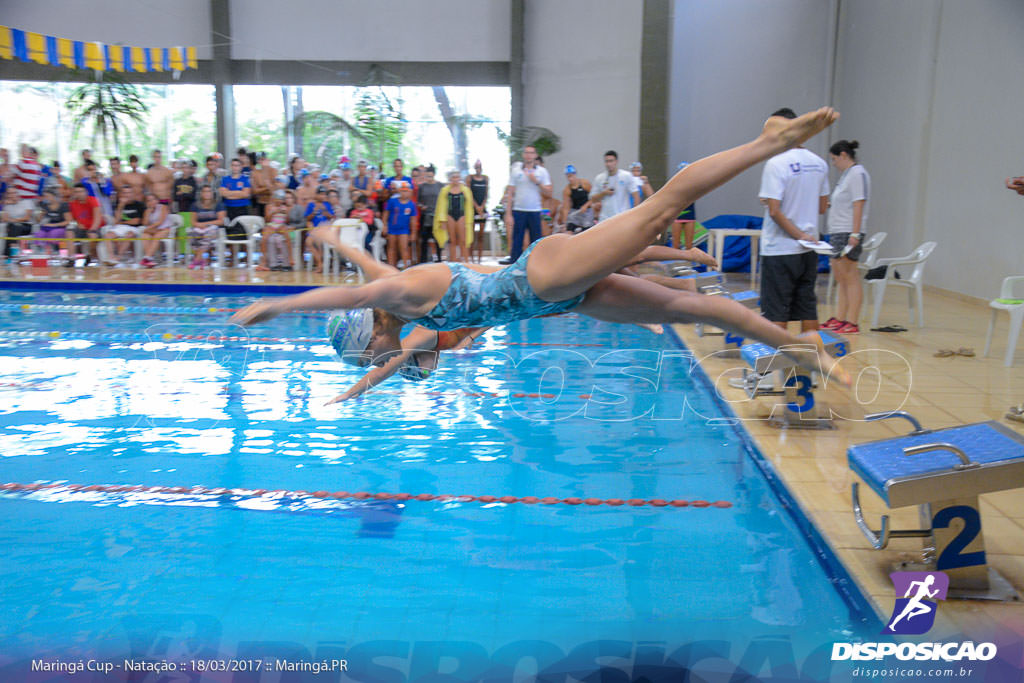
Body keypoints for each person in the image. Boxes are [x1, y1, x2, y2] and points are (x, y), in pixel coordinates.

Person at [231, 107, 850, 387]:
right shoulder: (410, 322)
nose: (376, 363)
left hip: (545, 276)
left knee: (658, 210)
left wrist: (275, 308)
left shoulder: (403, 294)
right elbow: (368, 278)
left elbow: (359, 286)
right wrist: (352, 390)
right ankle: (803, 350)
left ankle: (770, 141)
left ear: (370, 334)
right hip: (560, 301)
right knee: (697, 309)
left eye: (367, 358)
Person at [758, 107, 831, 333]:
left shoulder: (776, 163)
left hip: (780, 249)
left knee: (777, 311)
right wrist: (804, 234)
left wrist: (797, 234)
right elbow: (821, 207)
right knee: (807, 308)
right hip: (808, 249)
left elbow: (774, 211)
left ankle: (773, 364)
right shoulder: (819, 163)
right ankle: (807, 366)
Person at [822, 139, 870, 335]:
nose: (834, 164)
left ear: (843, 155)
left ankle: (852, 320)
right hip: (837, 230)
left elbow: (859, 203)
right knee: (840, 277)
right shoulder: (846, 176)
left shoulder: (858, 173)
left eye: (834, 159)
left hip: (847, 232)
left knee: (850, 276)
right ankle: (840, 318)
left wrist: (855, 233)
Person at [501, 145, 551, 264]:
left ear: (535, 155)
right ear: (523, 155)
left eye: (531, 153)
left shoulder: (541, 171)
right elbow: (510, 192)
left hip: (534, 210)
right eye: (526, 153)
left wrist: (537, 182)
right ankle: (514, 266)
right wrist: (508, 214)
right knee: (517, 241)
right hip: (519, 210)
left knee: (536, 242)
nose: (529, 155)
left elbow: (549, 192)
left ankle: (536, 266)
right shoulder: (516, 171)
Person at [220, 157, 252, 266]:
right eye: (233, 165)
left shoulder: (245, 179)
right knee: (231, 232)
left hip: (243, 209)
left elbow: (246, 194)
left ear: (241, 167)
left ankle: (247, 258)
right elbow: (224, 194)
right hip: (229, 209)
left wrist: (230, 193)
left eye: (237, 165)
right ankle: (233, 258)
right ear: (230, 166)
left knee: (245, 232)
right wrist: (238, 193)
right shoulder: (225, 179)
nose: (235, 167)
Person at [591, 150, 639, 222]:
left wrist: (635, 215)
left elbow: (636, 195)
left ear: (616, 161)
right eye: (606, 161)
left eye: (611, 161)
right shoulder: (600, 178)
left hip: (622, 217)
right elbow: (593, 199)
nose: (609, 164)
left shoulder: (626, 176)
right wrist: (604, 193)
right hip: (605, 218)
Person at [188, 185, 226, 269]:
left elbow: (221, 221)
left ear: (213, 193)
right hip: (200, 228)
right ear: (201, 193)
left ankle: (196, 260)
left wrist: (206, 224)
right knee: (190, 233)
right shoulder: (195, 205)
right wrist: (199, 225)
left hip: (214, 229)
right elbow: (193, 221)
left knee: (208, 234)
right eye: (205, 191)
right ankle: (201, 260)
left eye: (209, 191)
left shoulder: (218, 205)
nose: (207, 193)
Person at [107, 185, 146, 265]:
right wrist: (121, 206)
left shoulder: (139, 204)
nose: (127, 195)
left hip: (134, 228)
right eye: (125, 193)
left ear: (133, 194)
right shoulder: (119, 204)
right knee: (108, 235)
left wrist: (122, 222)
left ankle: (119, 256)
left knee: (129, 235)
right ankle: (111, 257)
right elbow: (116, 221)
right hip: (121, 227)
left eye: (129, 193)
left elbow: (136, 221)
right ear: (121, 194)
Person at [67, 182, 103, 266]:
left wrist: (92, 229)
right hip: (81, 227)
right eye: (76, 192)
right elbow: (71, 218)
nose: (79, 194)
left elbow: (97, 217)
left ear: (86, 192)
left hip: (95, 227)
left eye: (81, 191)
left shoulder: (92, 200)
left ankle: (89, 256)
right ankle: (71, 259)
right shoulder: (72, 203)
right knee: (69, 231)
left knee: (92, 236)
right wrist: (76, 223)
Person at [383, 181, 416, 268]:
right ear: (399, 191)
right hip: (392, 229)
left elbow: (413, 220)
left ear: (409, 192)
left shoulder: (411, 204)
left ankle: (406, 268)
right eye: (402, 191)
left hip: (404, 230)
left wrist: (413, 233)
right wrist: (385, 226)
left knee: (404, 249)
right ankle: (391, 268)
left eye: (406, 191)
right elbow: (386, 213)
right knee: (391, 248)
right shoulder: (392, 201)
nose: (404, 193)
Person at [258, 189, 293, 272]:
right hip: (271, 225)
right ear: (274, 199)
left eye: (281, 200)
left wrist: (285, 213)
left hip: (281, 225)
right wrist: (274, 212)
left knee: (287, 237)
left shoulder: (285, 207)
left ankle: (290, 258)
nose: (279, 201)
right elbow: (267, 220)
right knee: (264, 239)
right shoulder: (269, 206)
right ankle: (263, 260)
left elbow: (287, 221)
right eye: (278, 199)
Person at [415, 165, 442, 264]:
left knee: (438, 241)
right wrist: (421, 206)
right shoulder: (422, 186)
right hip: (425, 216)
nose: (429, 179)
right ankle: (423, 262)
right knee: (424, 241)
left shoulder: (440, 186)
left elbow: (444, 201)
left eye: (431, 176)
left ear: (434, 175)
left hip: (437, 217)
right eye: (427, 176)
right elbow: (418, 201)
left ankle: (439, 261)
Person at [304, 185, 335, 273]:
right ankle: (320, 263)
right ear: (316, 195)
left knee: (320, 243)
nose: (322, 196)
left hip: (325, 230)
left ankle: (321, 265)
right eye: (320, 194)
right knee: (308, 242)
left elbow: (332, 217)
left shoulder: (327, 204)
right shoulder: (311, 205)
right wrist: (313, 212)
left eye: (324, 194)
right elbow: (307, 218)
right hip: (314, 230)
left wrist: (325, 211)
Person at [139, 195, 173, 268]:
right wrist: (148, 213)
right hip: (155, 230)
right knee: (145, 235)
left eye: (153, 200)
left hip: (165, 229)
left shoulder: (163, 207)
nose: (151, 202)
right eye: (148, 200)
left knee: (156, 235)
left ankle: (147, 258)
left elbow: (160, 222)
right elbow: (145, 223)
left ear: (157, 200)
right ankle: (150, 259)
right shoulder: (147, 210)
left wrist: (148, 228)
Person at [1, 187, 34, 260]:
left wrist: (14, 220)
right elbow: (4, 219)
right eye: (10, 193)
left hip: (26, 226)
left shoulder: (26, 202)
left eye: (14, 193)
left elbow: (27, 217)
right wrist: (4, 205)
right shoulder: (7, 206)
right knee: (13, 227)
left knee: (14, 227)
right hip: (13, 226)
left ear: (18, 193)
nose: (12, 195)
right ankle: (12, 254)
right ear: (7, 195)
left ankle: (8, 254)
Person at [671, 162, 699, 249]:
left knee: (689, 245)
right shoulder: (674, 183)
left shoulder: (694, 184)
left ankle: (689, 261)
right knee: (675, 244)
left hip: (689, 215)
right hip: (677, 214)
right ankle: (674, 260)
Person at [36, 187, 70, 257]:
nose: (46, 198)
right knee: (39, 234)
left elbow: (68, 221)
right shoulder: (44, 206)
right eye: (45, 196)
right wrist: (41, 213)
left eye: (48, 196)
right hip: (47, 227)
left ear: (54, 196)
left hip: (60, 227)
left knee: (53, 233)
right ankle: (42, 254)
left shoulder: (63, 205)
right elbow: (39, 221)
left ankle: (55, 252)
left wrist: (54, 225)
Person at [560, 164, 594, 233]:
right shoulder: (567, 190)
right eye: (568, 176)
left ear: (575, 174)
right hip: (575, 212)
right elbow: (566, 208)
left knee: (586, 232)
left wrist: (586, 206)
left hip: (587, 211)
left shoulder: (585, 183)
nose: (570, 179)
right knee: (569, 231)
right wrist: (564, 224)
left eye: (571, 176)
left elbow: (594, 197)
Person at [468, 160, 489, 262]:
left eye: (479, 166)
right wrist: (476, 206)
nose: (478, 169)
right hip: (473, 209)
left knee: (481, 236)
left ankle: (480, 260)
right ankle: (472, 259)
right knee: (471, 236)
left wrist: (482, 206)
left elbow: (486, 194)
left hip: (482, 209)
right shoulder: (470, 178)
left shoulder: (486, 178)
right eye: (476, 167)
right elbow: (469, 194)